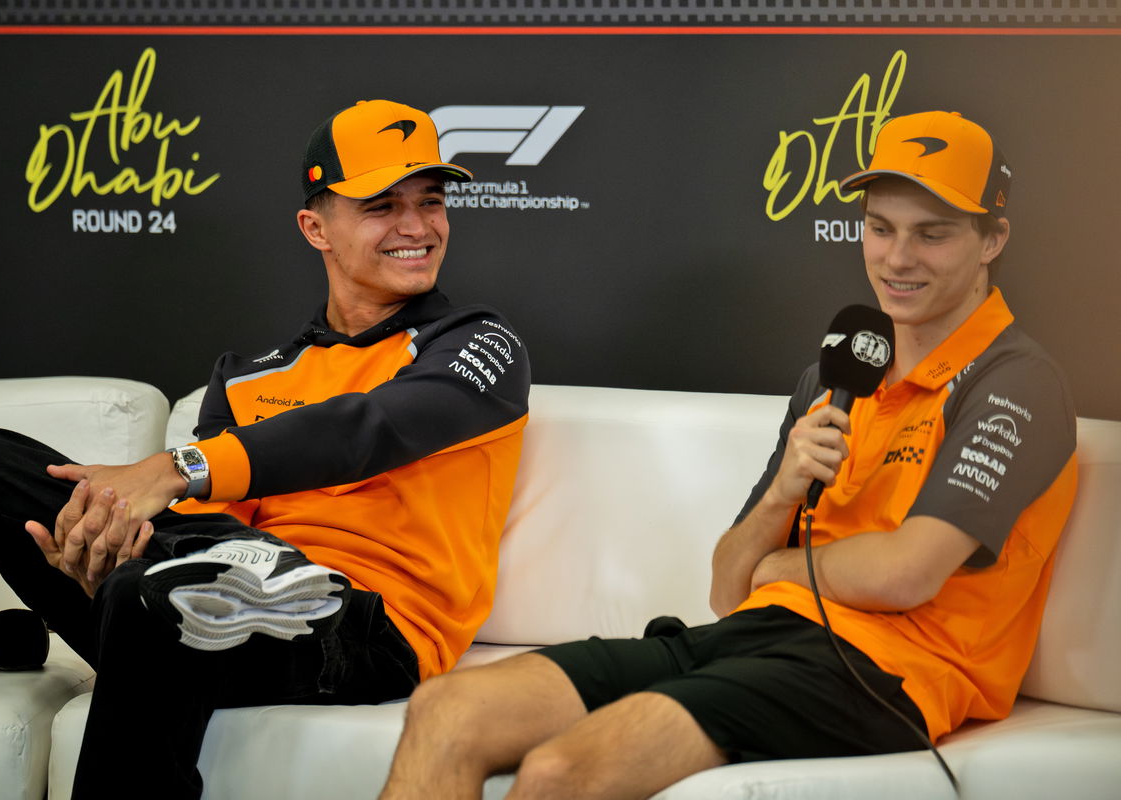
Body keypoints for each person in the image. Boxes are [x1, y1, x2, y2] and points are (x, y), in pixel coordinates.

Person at [377, 110, 1077, 800]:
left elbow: (907, 574)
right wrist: (782, 494)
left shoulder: (1016, 381)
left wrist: (775, 568)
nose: (897, 258)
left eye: (933, 234)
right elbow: (726, 588)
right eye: (881, 228)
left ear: (992, 240)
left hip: (888, 673)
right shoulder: (833, 377)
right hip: (757, 635)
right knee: (448, 710)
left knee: (564, 770)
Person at [0, 99, 530, 799]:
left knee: (167, 595)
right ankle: (131, 600)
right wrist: (113, 541)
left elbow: (369, 429)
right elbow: (223, 526)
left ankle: (145, 608)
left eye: (430, 201)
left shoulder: (479, 343)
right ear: (316, 228)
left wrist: (175, 469)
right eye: (382, 206)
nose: (417, 227)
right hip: (236, 580)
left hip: (368, 626)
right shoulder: (250, 375)